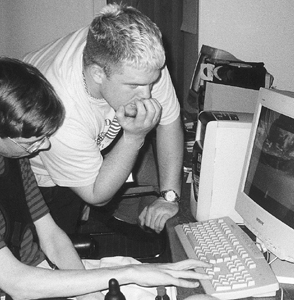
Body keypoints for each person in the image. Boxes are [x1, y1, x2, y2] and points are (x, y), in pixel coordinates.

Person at [0, 56, 212, 300]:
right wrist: (128, 275)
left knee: (174, 285)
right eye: (32, 143)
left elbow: (51, 237)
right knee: (142, 276)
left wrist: (91, 295)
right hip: (14, 289)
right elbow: (16, 283)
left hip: (44, 274)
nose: (43, 148)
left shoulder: (9, 147)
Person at [23, 2, 184, 236]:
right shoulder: (59, 110)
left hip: (87, 130)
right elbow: (96, 195)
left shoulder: (140, 65)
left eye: (152, 82)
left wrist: (169, 197)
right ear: (98, 73)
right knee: (52, 252)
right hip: (35, 167)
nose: (148, 94)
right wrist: (134, 137)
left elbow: (168, 121)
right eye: (136, 86)